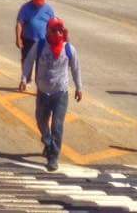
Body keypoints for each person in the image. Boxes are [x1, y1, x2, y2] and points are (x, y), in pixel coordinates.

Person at [19, 17, 82, 172]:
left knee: (57, 125)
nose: (57, 33)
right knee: (41, 121)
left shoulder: (69, 49)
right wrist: (23, 78)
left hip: (60, 93)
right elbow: (28, 61)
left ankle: (53, 157)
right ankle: (48, 142)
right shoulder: (40, 45)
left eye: (60, 30)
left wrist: (79, 87)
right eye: (54, 30)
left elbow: (75, 69)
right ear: (47, 30)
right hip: (43, 92)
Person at [15, 0, 54, 83]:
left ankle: (39, 82)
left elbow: (53, 25)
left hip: (43, 42)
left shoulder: (48, 9)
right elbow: (20, 24)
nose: (39, 3)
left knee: (41, 64)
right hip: (28, 40)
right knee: (26, 61)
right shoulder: (25, 8)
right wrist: (18, 38)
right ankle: (26, 79)